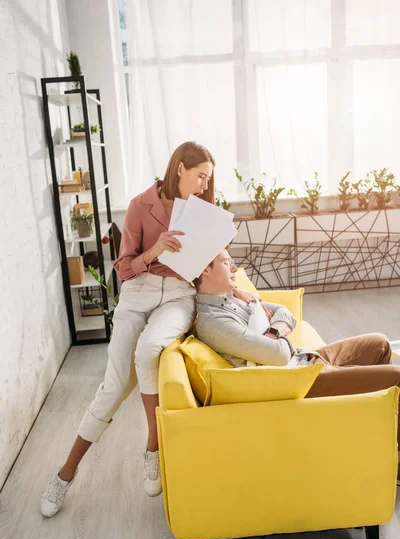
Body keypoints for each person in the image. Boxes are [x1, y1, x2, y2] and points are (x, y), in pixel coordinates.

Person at [40, 142, 254, 518]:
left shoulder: (203, 210)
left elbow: (214, 260)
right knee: (111, 386)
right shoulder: (141, 206)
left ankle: (152, 450)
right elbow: (123, 270)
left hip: (177, 295)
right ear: (179, 170)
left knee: (149, 351)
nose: (205, 185)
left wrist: (233, 286)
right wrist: (154, 251)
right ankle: (65, 473)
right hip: (137, 291)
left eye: (208, 178)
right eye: (200, 176)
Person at [194, 249, 400, 403]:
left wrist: (271, 332)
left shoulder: (235, 297)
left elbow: (285, 314)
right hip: (297, 382)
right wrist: (274, 332)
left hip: (303, 360)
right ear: (205, 270)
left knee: (380, 343)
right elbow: (280, 354)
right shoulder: (214, 322)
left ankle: (374, 420)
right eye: (226, 263)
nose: (234, 269)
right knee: (396, 376)